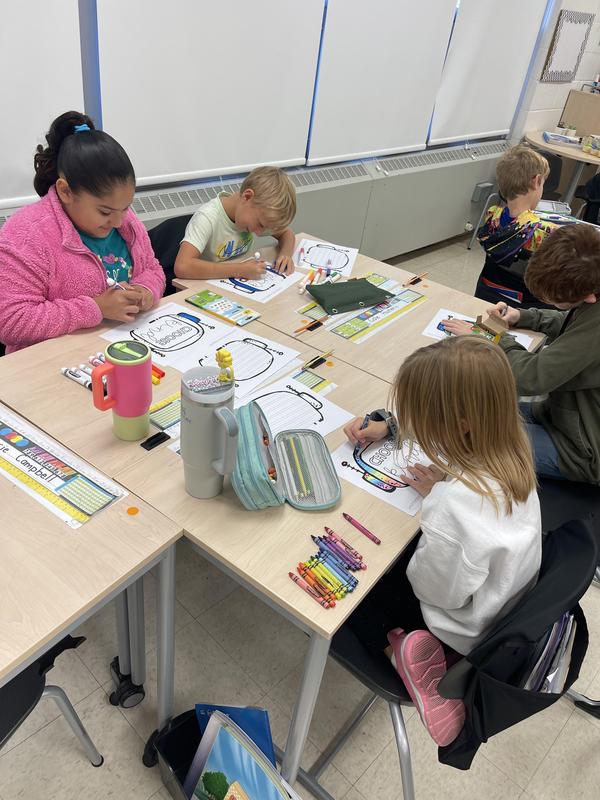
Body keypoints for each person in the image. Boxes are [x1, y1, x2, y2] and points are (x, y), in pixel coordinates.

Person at [343, 337, 541, 746]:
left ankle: (411, 660)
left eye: (419, 415)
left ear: (460, 423)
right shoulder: (512, 451)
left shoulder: (454, 505)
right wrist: (392, 426)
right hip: (503, 599)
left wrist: (437, 499)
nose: (412, 425)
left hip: (465, 625)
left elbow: (432, 589)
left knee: (354, 591)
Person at [446, 223, 600, 484]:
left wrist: (491, 338)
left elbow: (530, 378)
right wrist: (525, 316)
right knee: (466, 414)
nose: (550, 303)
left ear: (588, 297)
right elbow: (573, 321)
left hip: (581, 451)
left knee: (466, 440)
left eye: (553, 299)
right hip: (561, 416)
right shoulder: (593, 290)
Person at [0, 111, 164, 354]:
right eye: (105, 211)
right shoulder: (27, 234)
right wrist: (96, 308)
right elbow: (12, 321)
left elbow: (153, 269)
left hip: (119, 348)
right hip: (50, 363)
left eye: (126, 207)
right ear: (65, 191)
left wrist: (146, 291)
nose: (119, 221)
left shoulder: (124, 221)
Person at [474, 144, 568, 309]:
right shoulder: (547, 232)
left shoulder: (492, 215)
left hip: (487, 293)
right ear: (537, 181)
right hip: (525, 306)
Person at [174, 166, 296, 280]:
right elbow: (182, 266)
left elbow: (286, 233)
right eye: (260, 224)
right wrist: (239, 270)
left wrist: (286, 254)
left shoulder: (254, 213)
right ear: (247, 197)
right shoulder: (208, 217)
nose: (259, 233)